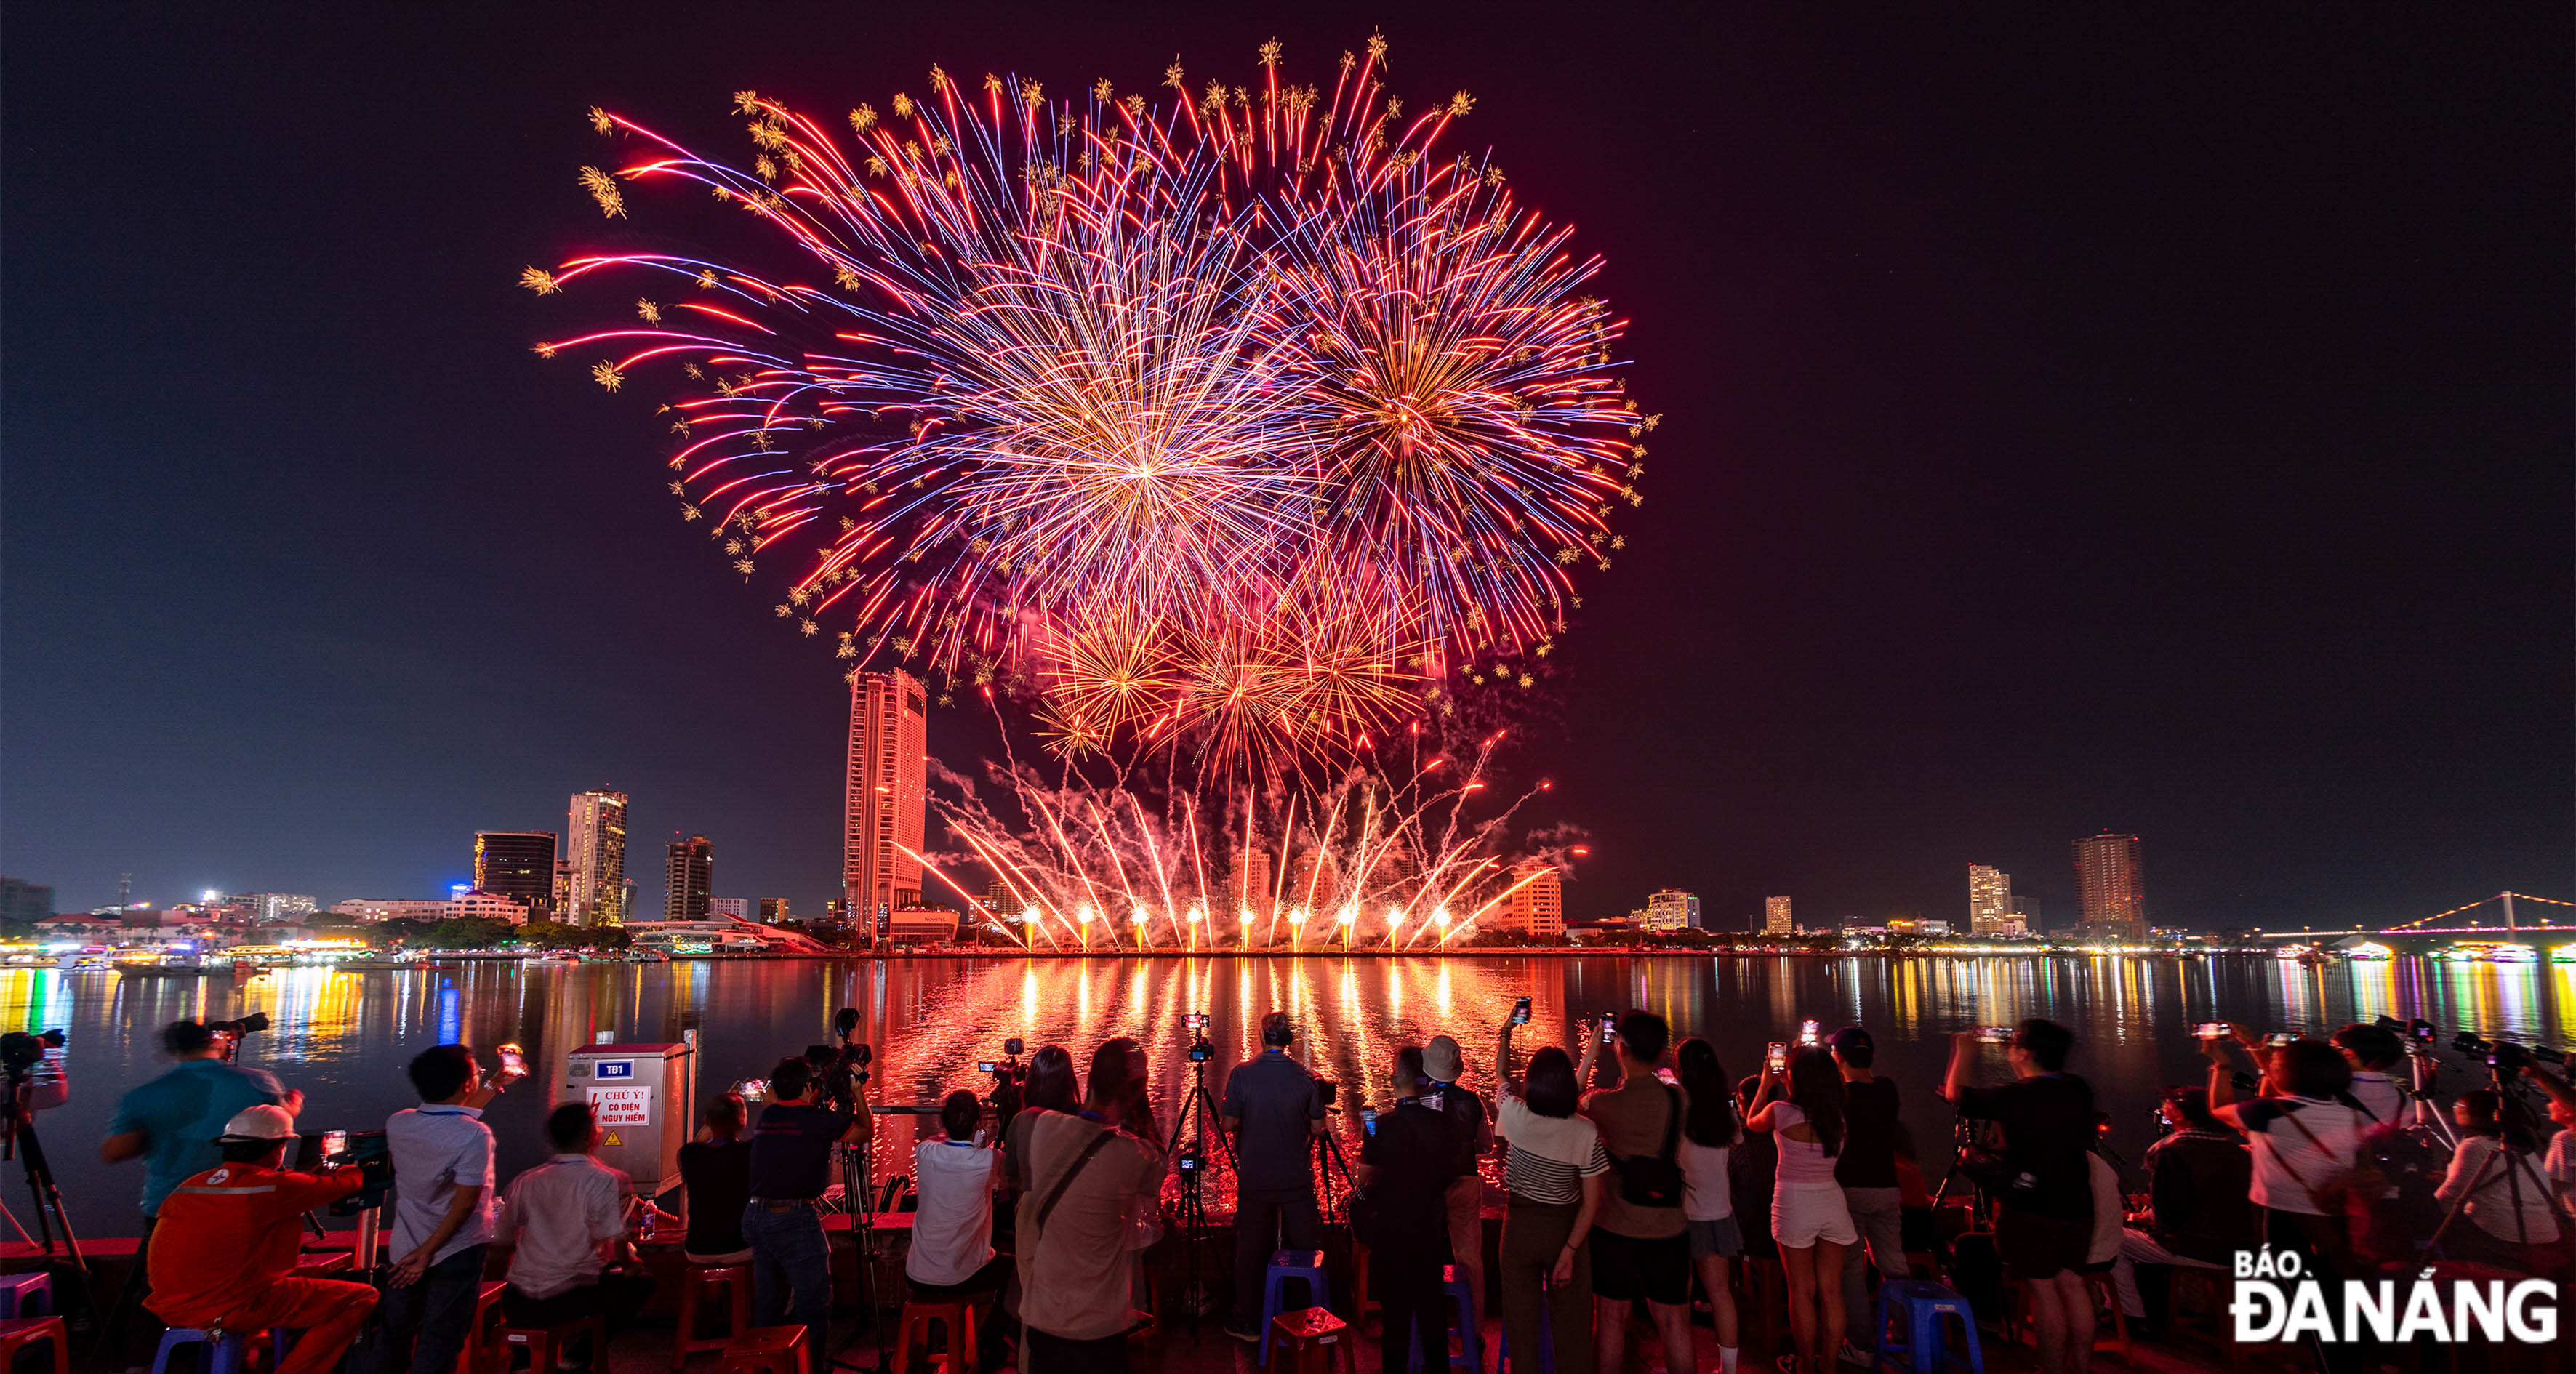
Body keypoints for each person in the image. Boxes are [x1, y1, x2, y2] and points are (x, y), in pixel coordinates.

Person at [147, 1105, 376, 1374]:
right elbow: (349, 1183)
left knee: (267, 1302)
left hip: (170, 1306)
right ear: (278, 1147)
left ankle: (247, 1363)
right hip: (229, 1307)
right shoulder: (274, 1186)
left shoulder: (193, 1184)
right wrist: (352, 1165)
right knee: (360, 1297)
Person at [1943, 1021, 2096, 1374]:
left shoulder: (2017, 1095)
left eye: (2015, 1045)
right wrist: (2017, 1055)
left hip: (2033, 1204)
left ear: (2025, 1053)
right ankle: (2082, 1368)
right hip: (2078, 1202)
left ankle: (2053, 1368)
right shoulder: (2078, 1089)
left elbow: (1957, 1094)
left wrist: (1964, 1052)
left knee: (2044, 1292)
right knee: (2073, 1286)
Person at [1017, 1038, 1166, 1374]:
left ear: (1089, 1081)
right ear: (1133, 1093)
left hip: (1044, 1318)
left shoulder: (1043, 1129)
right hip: (1097, 1329)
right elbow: (1159, 1162)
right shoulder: (1131, 1156)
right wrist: (1139, 1102)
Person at [377, 1045, 521, 1374]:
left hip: (404, 1250)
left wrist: (495, 1083)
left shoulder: (399, 1123)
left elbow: (452, 1116)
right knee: (439, 1342)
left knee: (394, 1336)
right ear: (465, 1085)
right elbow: (465, 1204)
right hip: (455, 1252)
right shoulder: (475, 1135)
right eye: (477, 1074)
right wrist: (428, 1253)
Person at [1580, 1012, 1696, 1374]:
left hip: (1615, 1224)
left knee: (1611, 1318)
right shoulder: (1680, 1100)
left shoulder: (1603, 1104)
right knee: (1675, 1322)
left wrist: (1591, 1053)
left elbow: (1566, 1102)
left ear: (1621, 1048)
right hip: (1669, 1225)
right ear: (1663, 1052)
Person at [494, 1102, 655, 1361]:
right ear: (590, 1135)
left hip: (518, 1301)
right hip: (569, 1298)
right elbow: (614, 1236)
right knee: (643, 1283)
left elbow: (501, 1241)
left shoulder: (526, 1180)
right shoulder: (601, 1179)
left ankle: (524, 1363)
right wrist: (628, 1266)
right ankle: (577, 1361)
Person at [2204, 1031, 2368, 1273]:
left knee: (2292, 1284)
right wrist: (2258, 1050)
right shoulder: (2349, 1111)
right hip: (2336, 1211)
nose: (2270, 1067)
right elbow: (2282, 1096)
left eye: (2275, 1065)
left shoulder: (2267, 1113)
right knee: (2333, 1279)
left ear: (2288, 1075)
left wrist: (2222, 1064)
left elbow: (2219, 1109)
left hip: (2284, 1214)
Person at [743, 1056, 866, 1358]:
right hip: (793, 1219)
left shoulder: (769, 1116)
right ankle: (811, 1366)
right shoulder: (816, 1120)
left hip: (755, 1217)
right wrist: (858, 1091)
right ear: (808, 1087)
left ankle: (768, 1363)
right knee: (814, 1301)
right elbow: (864, 1132)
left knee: (769, 1300)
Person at [1219, 1011, 1325, 1343]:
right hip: (1296, 1178)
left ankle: (1249, 1320)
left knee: (1250, 1249)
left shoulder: (1241, 1075)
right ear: (1290, 1041)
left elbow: (1228, 1123)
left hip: (1255, 1178)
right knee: (1306, 1247)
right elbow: (1319, 1129)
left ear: (1263, 1038)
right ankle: (1306, 1318)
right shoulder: (1306, 1078)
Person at [1748, 1046, 1855, 1374]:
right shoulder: (1837, 1117)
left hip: (1794, 1202)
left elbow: (1752, 1123)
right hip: (1832, 1201)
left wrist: (1767, 1083)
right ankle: (1831, 1366)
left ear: (1796, 1077)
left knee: (1801, 1290)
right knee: (1832, 1291)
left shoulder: (1780, 1111)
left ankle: (1807, 1365)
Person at [1360, 1047, 1465, 1374]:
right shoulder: (1444, 1124)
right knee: (1432, 1318)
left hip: (1390, 1235)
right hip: (1430, 1234)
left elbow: (1364, 1182)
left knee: (1396, 1321)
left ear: (1393, 1079)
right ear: (1424, 1080)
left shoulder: (1379, 1126)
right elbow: (1451, 1174)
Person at [2110, 1088, 2252, 1325]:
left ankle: (2131, 1315)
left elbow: (2167, 1217)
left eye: (2169, 1104)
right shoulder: (2236, 1152)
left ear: (2180, 1114)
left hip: (2196, 1247)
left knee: (2112, 1239)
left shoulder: (2173, 1151)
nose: (2164, 1109)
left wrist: (2136, 1218)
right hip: (2243, 1250)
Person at [1827, 1027, 1904, 1367]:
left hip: (1850, 1189)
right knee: (1893, 1263)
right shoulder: (1888, 1089)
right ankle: (1906, 1333)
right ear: (1872, 1056)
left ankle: (1862, 1345)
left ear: (1838, 1058)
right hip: (1887, 1188)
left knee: (1850, 1270)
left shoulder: (1839, 1096)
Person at [2433, 1087, 2561, 1267]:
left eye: (2459, 1104)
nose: (2455, 1107)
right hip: (2545, 1233)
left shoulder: (2475, 1146)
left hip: (2502, 1234)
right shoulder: (2524, 1148)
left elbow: (2448, 1200)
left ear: (2473, 1114)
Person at [1676, 1039, 1744, 1374]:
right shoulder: (1723, 1108)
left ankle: (1683, 1365)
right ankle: (1728, 1369)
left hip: (1681, 1214)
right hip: (1718, 1211)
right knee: (1720, 1293)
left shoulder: (1678, 1105)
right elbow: (1737, 1140)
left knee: (1679, 1299)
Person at [1420, 1034, 1493, 1333]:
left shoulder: (1421, 1101)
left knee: (1424, 1256)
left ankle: (1426, 1327)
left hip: (1430, 1187)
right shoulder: (1473, 1102)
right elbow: (1486, 1146)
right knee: (1471, 1261)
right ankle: (1475, 1330)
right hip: (1466, 1183)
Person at [910, 1090, 1009, 1295]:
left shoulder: (925, 1151)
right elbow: (1012, 1178)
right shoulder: (991, 1160)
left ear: (944, 1123)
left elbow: (937, 1140)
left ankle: (936, 1325)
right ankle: (990, 1329)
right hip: (960, 1279)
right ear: (977, 1125)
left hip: (916, 1274)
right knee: (1016, 1273)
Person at [677, 1093, 754, 1264]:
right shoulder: (748, 1152)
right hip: (740, 1247)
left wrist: (711, 1123)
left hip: (697, 1249)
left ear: (707, 1120)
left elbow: (703, 1144)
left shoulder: (688, 1154)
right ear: (740, 1119)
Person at [2330, 1024, 2407, 1128]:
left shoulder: (2331, 1094)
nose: (2329, 1051)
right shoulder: (2403, 1097)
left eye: (2333, 1047)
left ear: (2348, 1054)